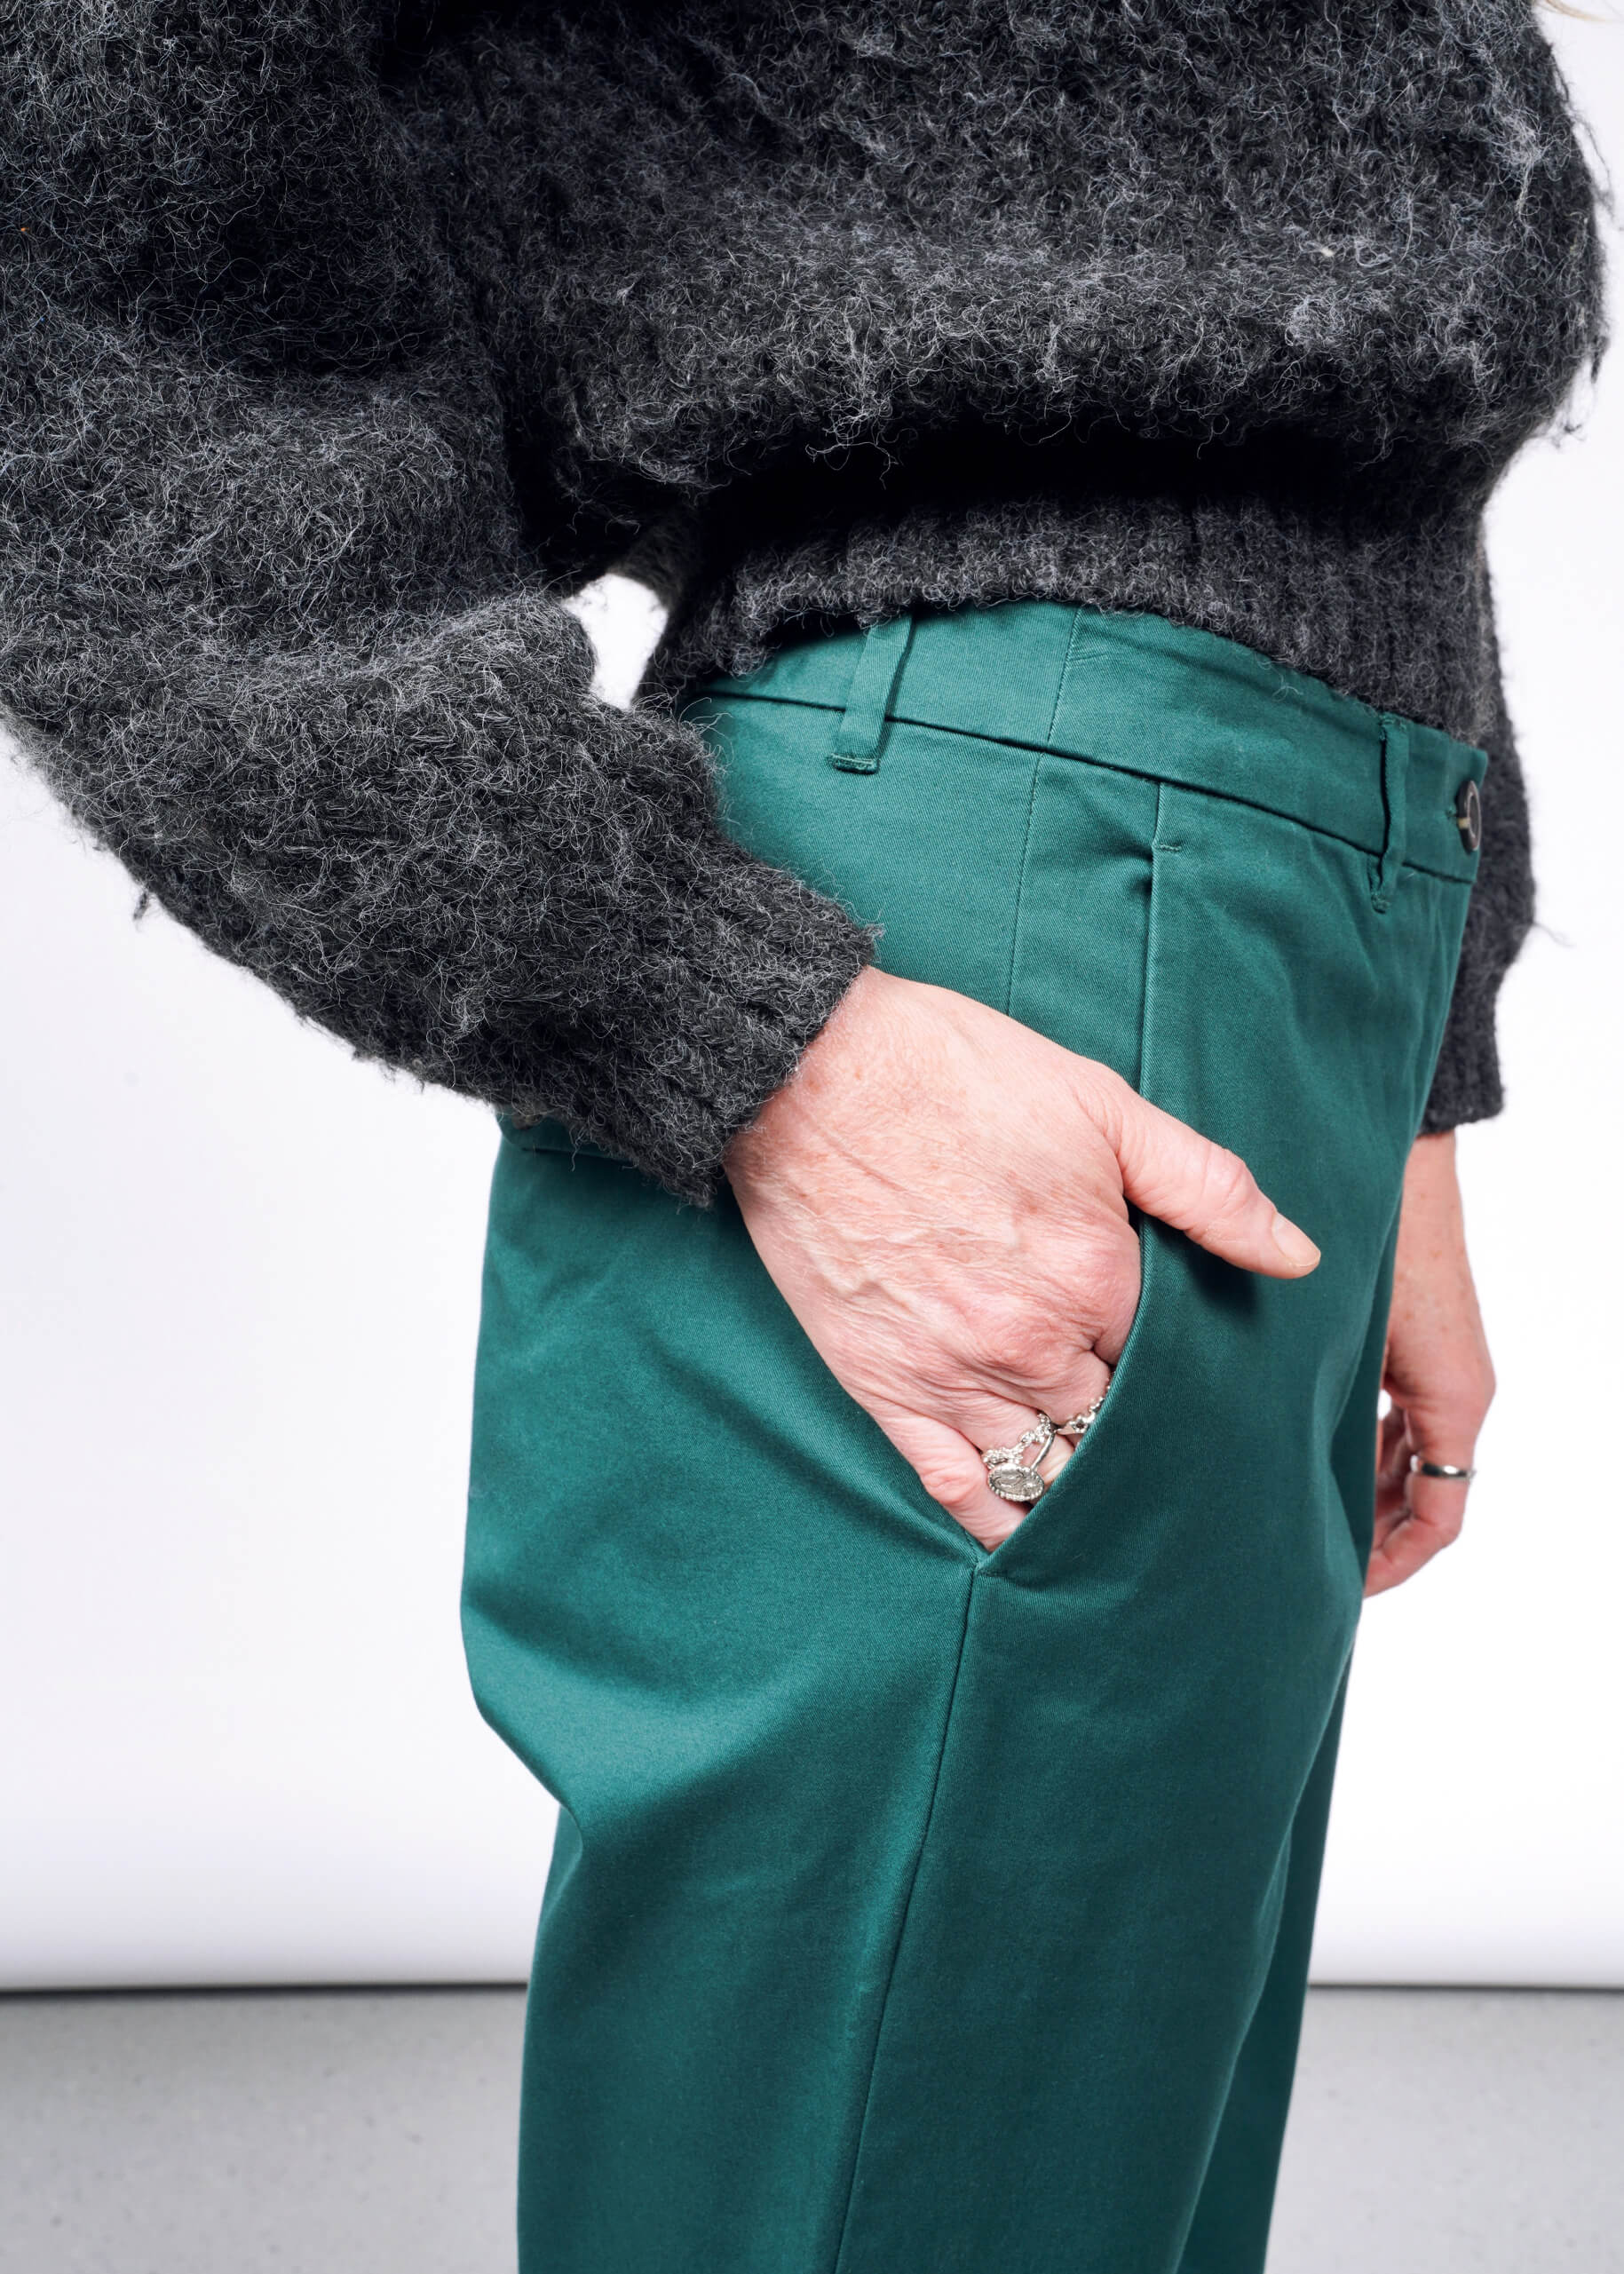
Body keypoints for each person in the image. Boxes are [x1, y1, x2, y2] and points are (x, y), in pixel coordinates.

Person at [0, 5, 1601, 2269]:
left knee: (1059, 2192)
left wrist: (1413, 1072)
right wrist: (715, 1009)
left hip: (1247, 930)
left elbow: (1336, 377)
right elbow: (90, 297)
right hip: (963, 946)